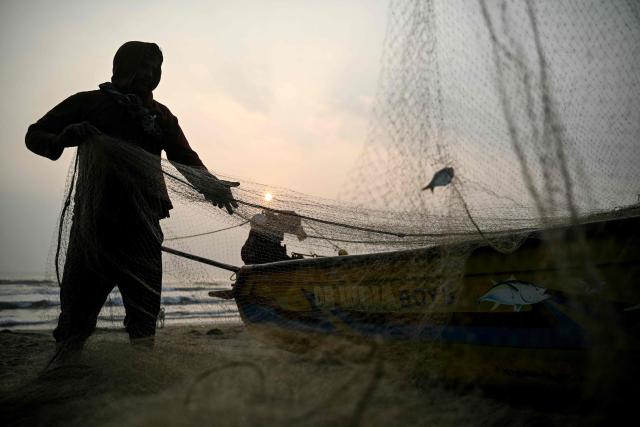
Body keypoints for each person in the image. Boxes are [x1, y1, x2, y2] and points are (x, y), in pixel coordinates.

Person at [25, 41, 238, 357]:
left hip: (143, 228)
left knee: (143, 317)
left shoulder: (160, 116)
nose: (151, 73)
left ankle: (141, 375)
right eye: (144, 65)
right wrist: (62, 139)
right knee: (76, 316)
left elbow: (186, 159)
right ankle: (65, 368)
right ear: (121, 67)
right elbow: (34, 135)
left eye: (157, 68)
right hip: (94, 226)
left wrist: (212, 187)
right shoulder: (89, 103)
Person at [241, 210, 307, 265]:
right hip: (256, 260)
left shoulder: (272, 235)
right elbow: (277, 258)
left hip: (256, 259)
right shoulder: (262, 241)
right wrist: (295, 261)